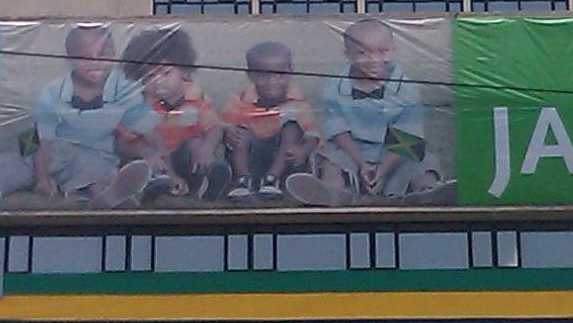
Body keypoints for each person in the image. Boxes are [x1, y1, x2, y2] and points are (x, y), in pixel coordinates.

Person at [290, 17, 440, 202]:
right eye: (362, 53)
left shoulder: (405, 88)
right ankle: (333, 192)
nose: (374, 60)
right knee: (331, 163)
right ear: (348, 54)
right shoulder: (335, 86)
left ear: (393, 50)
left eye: (382, 51)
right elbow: (338, 131)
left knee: (421, 160)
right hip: (352, 152)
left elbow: (407, 134)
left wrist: (383, 169)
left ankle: (425, 191)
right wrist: (361, 164)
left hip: (394, 154)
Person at [2, 23, 153, 205]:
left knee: (96, 170)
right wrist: (42, 178)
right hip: (52, 153)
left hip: (95, 155)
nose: (95, 62)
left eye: (102, 55)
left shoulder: (122, 88)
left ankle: (104, 196)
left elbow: (149, 128)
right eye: (85, 57)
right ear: (70, 60)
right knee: (10, 164)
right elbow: (40, 138)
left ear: (113, 55)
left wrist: (154, 154)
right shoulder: (54, 91)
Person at [118, 24, 230, 198]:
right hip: (157, 160)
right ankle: (156, 186)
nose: (158, 81)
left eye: (166, 73)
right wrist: (144, 153)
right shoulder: (139, 105)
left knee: (196, 142)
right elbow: (120, 144)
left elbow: (214, 127)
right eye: (149, 76)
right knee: (146, 153)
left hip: (186, 160)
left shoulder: (196, 97)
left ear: (183, 69)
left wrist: (208, 148)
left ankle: (208, 179)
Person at [217, 39, 317, 198]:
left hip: (282, 157)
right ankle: (242, 179)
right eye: (264, 76)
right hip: (249, 155)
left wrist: (302, 151)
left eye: (280, 75)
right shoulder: (240, 98)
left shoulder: (297, 101)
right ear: (251, 76)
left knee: (292, 127)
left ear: (291, 72)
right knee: (240, 131)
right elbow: (222, 124)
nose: (272, 82)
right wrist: (228, 131)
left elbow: (312, 136)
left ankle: (272, 179)